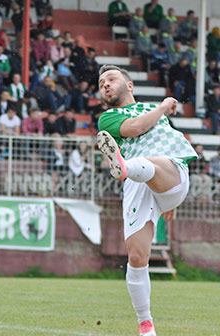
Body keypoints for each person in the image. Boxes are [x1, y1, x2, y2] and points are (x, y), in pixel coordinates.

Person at [97, 64, 197, 336]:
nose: (105, 83)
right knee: (138, 256)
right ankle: (146, 324)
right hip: (138, 185)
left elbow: (157, 133)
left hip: (170, 169)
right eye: (101, 82)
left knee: (149, 162)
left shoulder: (151, 110)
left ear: (130, 85)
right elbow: (137, 128)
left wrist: (167, 200)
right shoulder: (108, 119)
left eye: (111, 78)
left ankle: (124, 167)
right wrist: (164, 105)